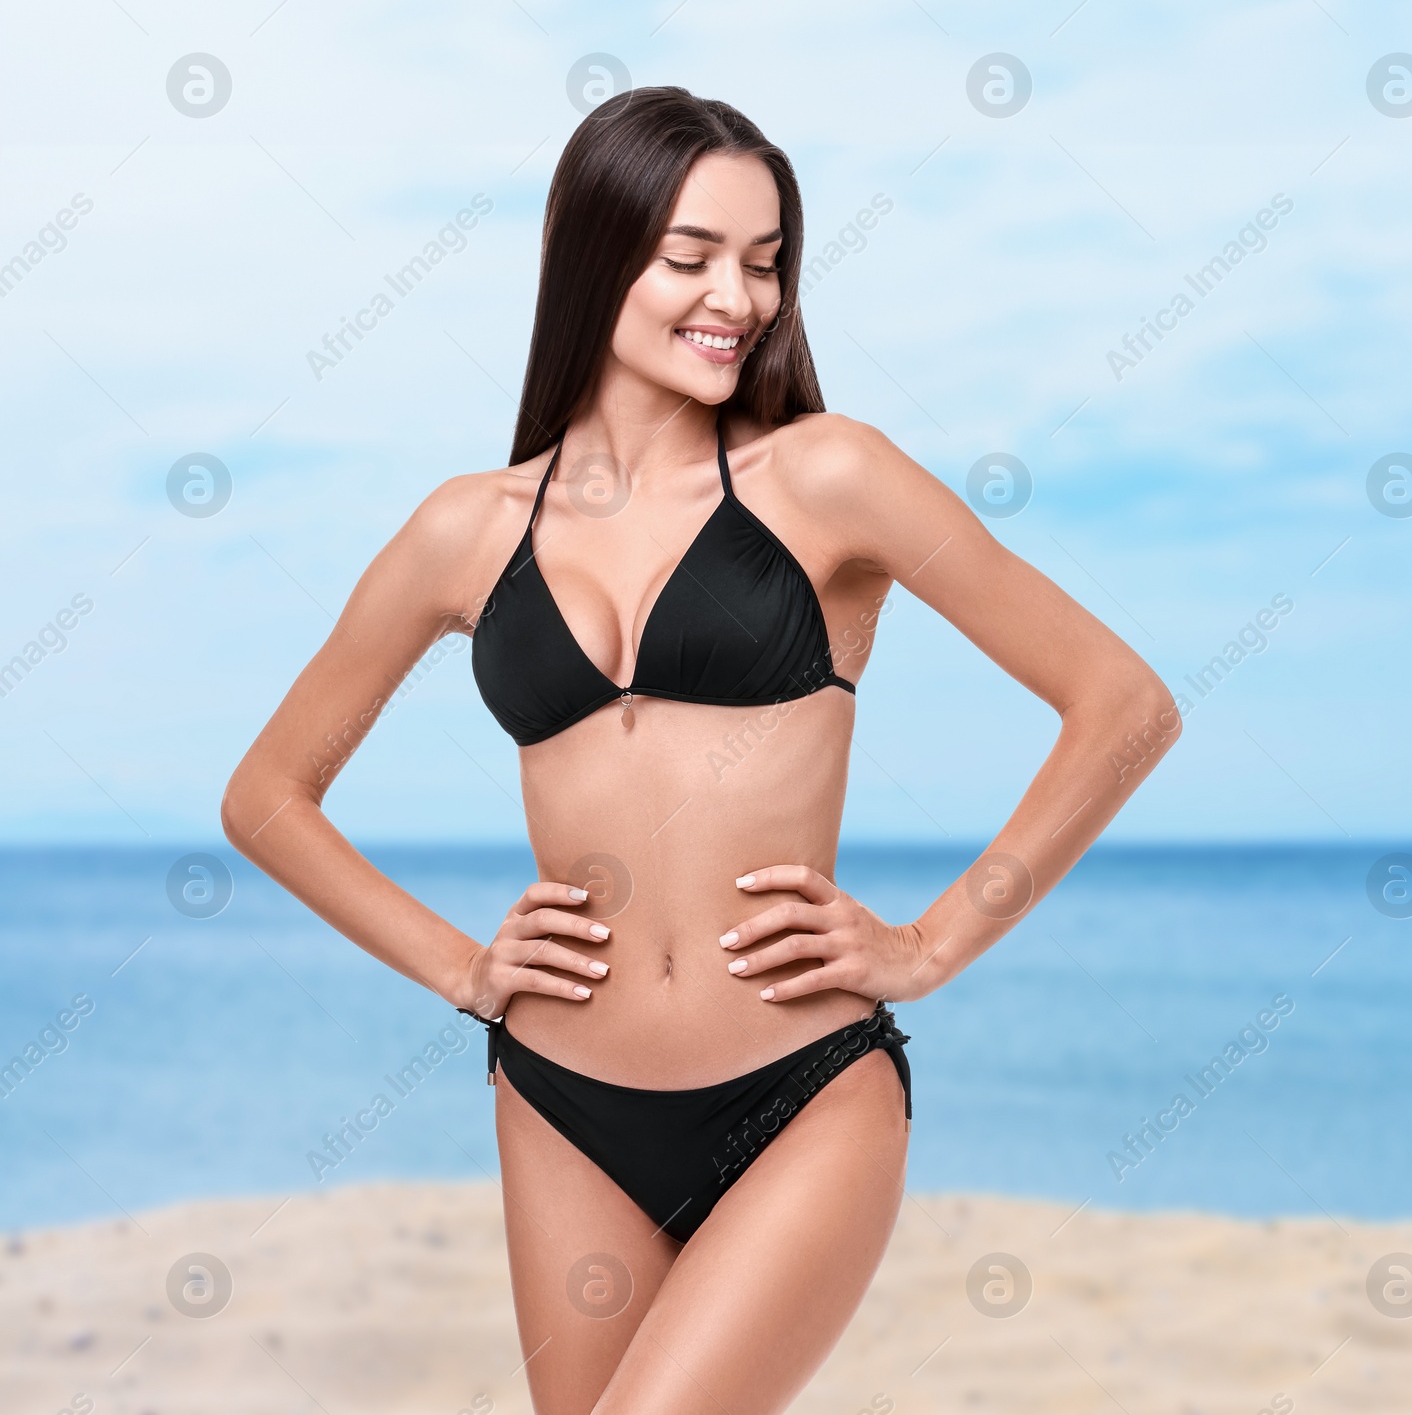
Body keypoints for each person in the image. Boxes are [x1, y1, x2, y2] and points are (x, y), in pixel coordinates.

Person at [221, 86, 1180, 1415]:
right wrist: (461, 965)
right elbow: (267, 797)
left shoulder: (828, 476)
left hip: (802, 1092)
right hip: (560, 1099)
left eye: (767, 259)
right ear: (592, 251)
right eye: (691, 257)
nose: (739, 294)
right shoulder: (464, 530)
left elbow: (1121, 701)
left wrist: (935, 941)